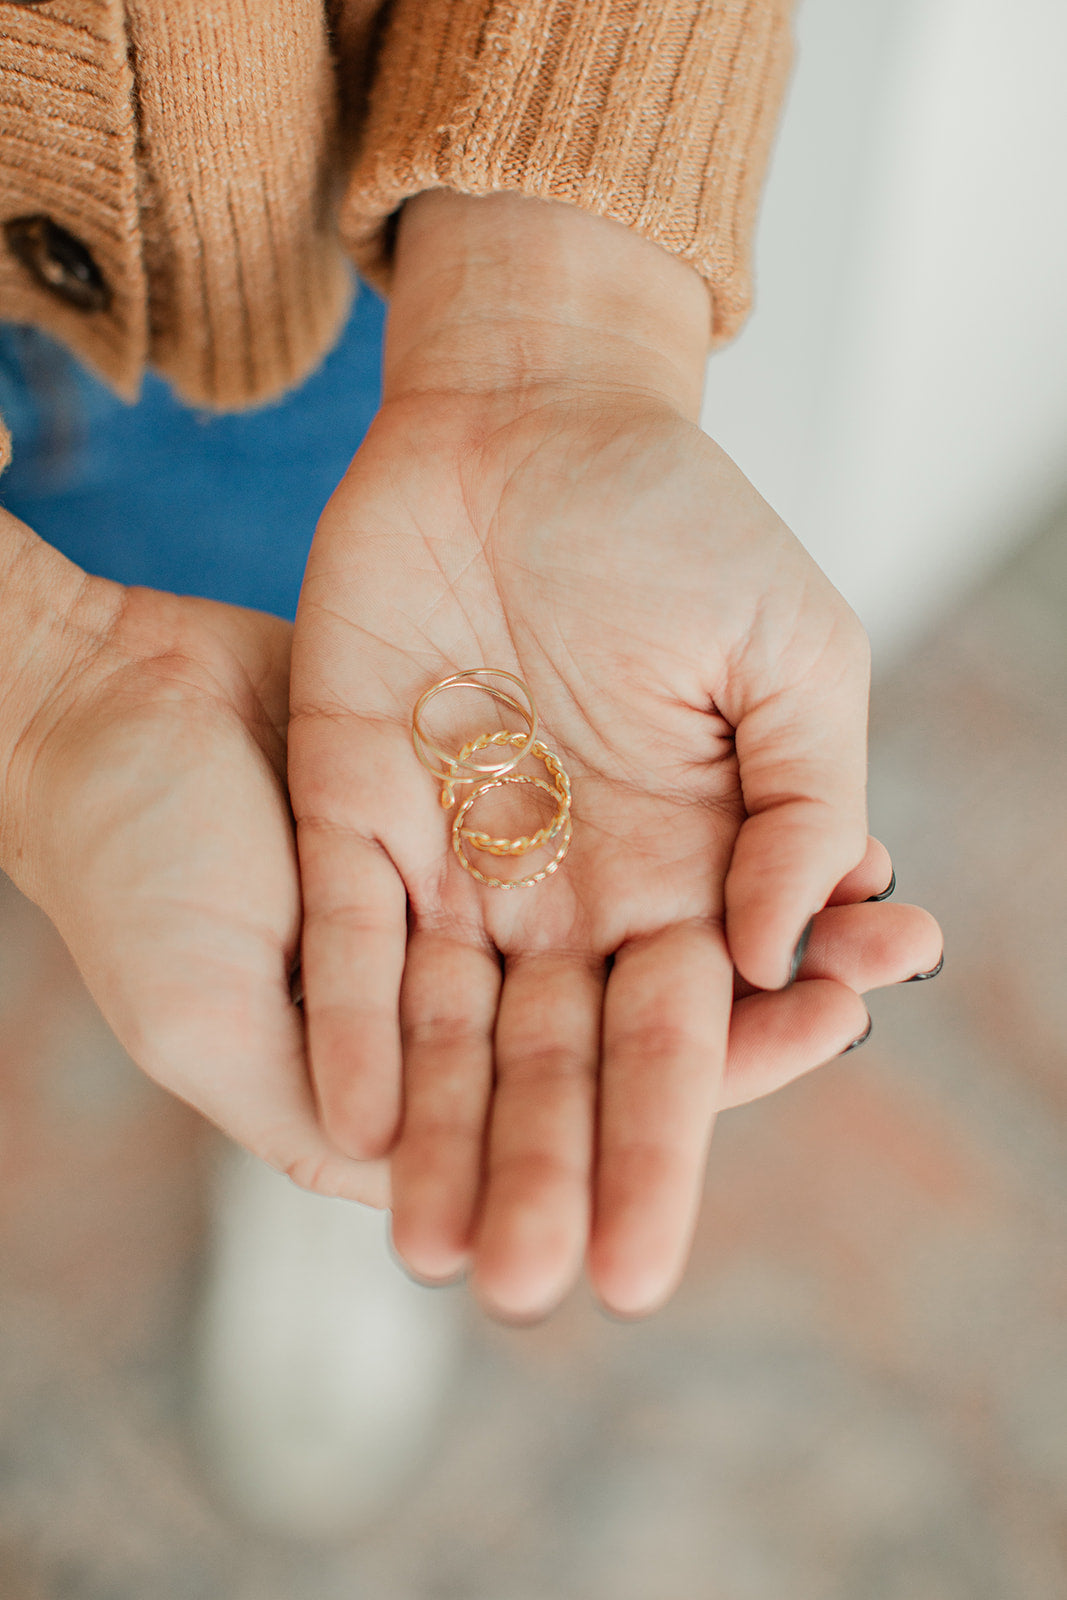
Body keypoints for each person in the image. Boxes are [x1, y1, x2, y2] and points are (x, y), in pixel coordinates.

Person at [0, 0, 941, 1330]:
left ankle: (350, 1064)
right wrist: (32, 700)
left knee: (316, 691)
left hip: (322, 218)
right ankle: (332, 1010)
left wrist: (557, 320)